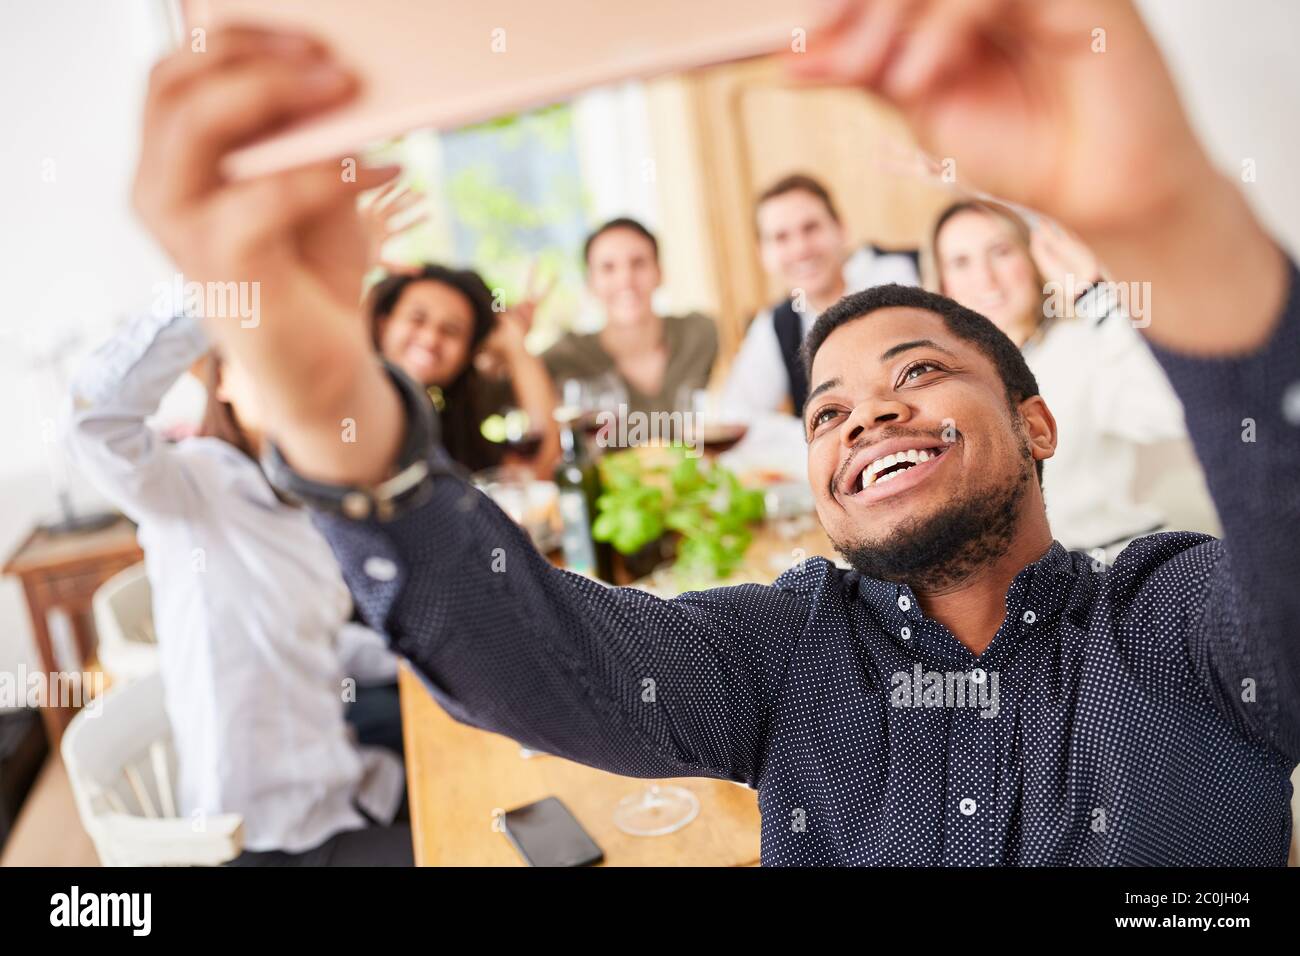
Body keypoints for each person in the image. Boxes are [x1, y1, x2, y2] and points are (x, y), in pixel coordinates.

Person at [130, 0, 1298, 867]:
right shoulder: (783, 651)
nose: (866, 415)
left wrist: (1169, 217)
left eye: (919, 373)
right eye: (827, 410)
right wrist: (325, 389)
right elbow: (526, 652)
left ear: (1034, 421)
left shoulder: (1169, 623)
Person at [65, 314, 412, 866]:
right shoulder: (189, 489)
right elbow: (93, 423)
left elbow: (313, 641)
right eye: (264, 361)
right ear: (219, 380)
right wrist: (221, 291)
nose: (291, 381)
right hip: (266, 838)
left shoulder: (303, 503)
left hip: (341, 786)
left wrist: (413, 659)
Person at [928, 197, 1210, 556]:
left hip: (1113, 569)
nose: (985, 278)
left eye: (1000, 251)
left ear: (1032, 260)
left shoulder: (1082, 342)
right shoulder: (943, 385)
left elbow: (1172, 412)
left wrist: (1096, 296)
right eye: (961, 262)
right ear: (942, 283)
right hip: (1021, 597)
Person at [721, 173, 921, 418]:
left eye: (811, 228)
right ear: (763, 254)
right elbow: (734, 417)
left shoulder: (904, 272)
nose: (801, 249)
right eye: (781, 238)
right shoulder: (776, 326)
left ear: (841, 229)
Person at [367, 263, 560, 476]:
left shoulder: (448, 434)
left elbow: (537, 469)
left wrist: (516, 348)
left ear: (468, 353)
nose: (430, 339)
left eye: (451, 330)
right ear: (383, 325)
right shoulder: (347, 409)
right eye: (417, 319)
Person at [543, 217, 717, 417]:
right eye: (608, 268)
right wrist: (513, 341)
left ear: (659, 272)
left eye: (639, 263)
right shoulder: (567, 355)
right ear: (590, 283)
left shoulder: (700, 334)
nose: (626, 280)